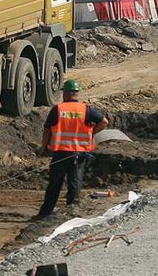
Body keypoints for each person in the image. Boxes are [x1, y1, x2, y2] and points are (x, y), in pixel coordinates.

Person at [36, 80, 109, 218]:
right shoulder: (86, 109)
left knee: (54, 184)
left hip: (61, 153)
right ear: (76, 93)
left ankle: (45, 214)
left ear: (65, 93)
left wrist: (43, 148)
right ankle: (72, 213)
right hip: (79, 153)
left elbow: (47, 131)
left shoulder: (58, 109)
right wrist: (91, 133)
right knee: (74, 182)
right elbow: (104, 122)